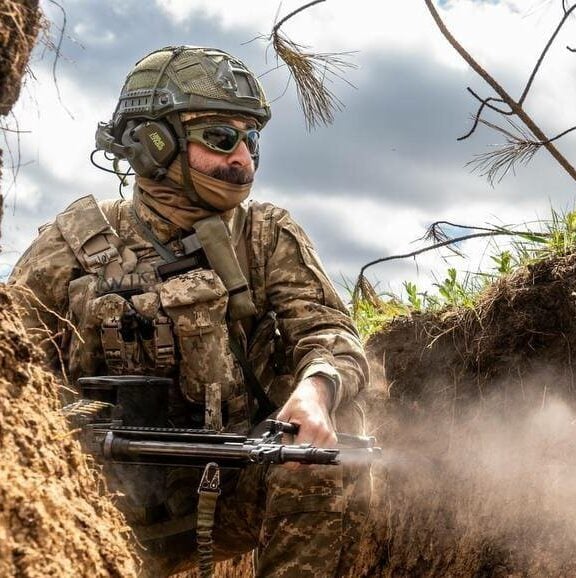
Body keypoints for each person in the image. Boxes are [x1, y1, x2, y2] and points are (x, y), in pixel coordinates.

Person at [8, 45, 369, 577]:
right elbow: (9, 366)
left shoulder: (266, 236)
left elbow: (328, 330)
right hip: (88, 506)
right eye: (221, 138)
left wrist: (315, 389)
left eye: (251, 140)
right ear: (154, 143)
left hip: (228, 493)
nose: (243, 159)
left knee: (328, 451)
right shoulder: (70, 245)